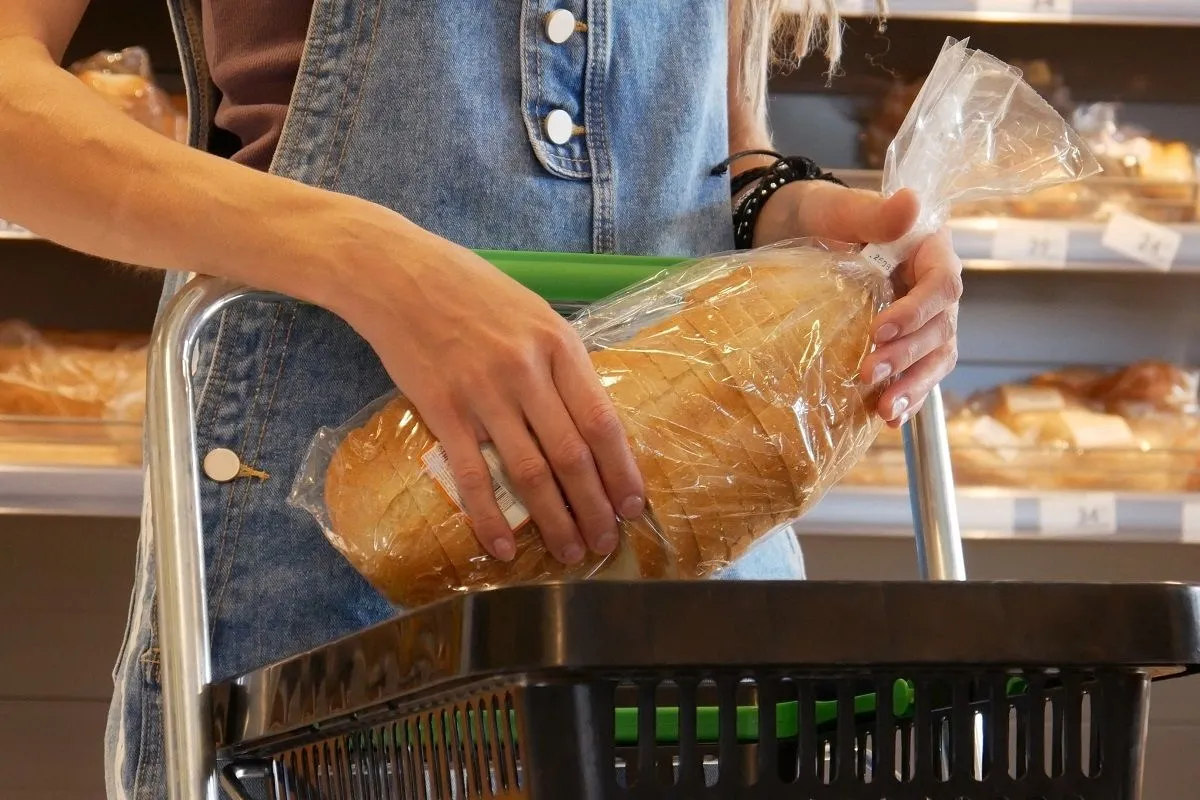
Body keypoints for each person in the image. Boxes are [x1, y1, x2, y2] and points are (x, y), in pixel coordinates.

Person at [0, 1, 961, 797]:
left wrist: (787, 212)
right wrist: (371, 261)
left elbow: (724, 143)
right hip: (336, 584)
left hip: (691, 584)